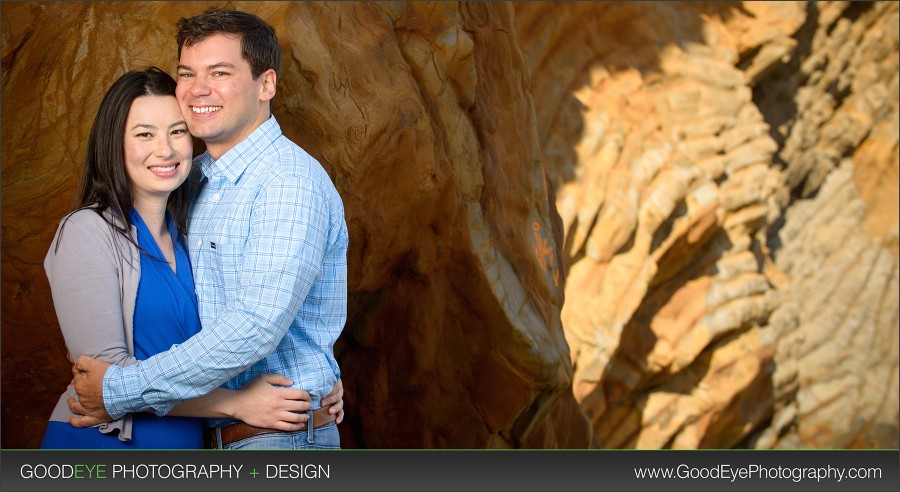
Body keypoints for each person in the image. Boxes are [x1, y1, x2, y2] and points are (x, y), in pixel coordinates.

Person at [69, 8, 349, 450]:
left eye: (219, 72)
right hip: (206, 439)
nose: (198, 89)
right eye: (187, 73)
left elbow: (255, 326)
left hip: (277, 442)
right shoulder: (189, 179)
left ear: (266, 84)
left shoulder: (287, 181)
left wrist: (119, 389)